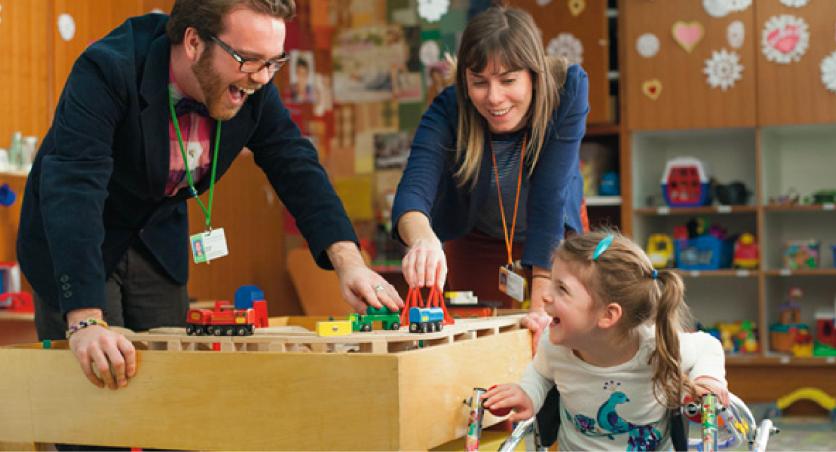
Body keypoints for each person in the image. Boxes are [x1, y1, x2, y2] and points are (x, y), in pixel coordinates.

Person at [16, 0, 402, 392]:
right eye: (248, 59)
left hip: (156, 239)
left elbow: (295, 164)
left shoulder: (255, 84)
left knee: (170, 395)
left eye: (274, 62)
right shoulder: (108, 69)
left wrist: (348, 261)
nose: (263, 78)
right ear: (193, 42)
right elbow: (74, 186)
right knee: (98, 392)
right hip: (77, 238)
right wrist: (84, 319)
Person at [392, 6, 589, 320]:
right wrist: (424, 240)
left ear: (534, 76)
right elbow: (413, 192)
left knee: (562, 330)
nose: (494, 98)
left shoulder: (567, 91)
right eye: (479, 82)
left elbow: (549, 198)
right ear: (465, 80)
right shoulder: (449, 109)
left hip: (555, 234)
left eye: (508, 80)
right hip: (478, 240)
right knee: (481, 338)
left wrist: (541, 309)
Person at [482, 231, 728, 450]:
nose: (545, 296)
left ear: (608, 315)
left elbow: (708, 346)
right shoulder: (555, 345)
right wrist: (527, 394)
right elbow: (541, 374)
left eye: (561, 289)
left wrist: (708, 379)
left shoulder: (655, 346)